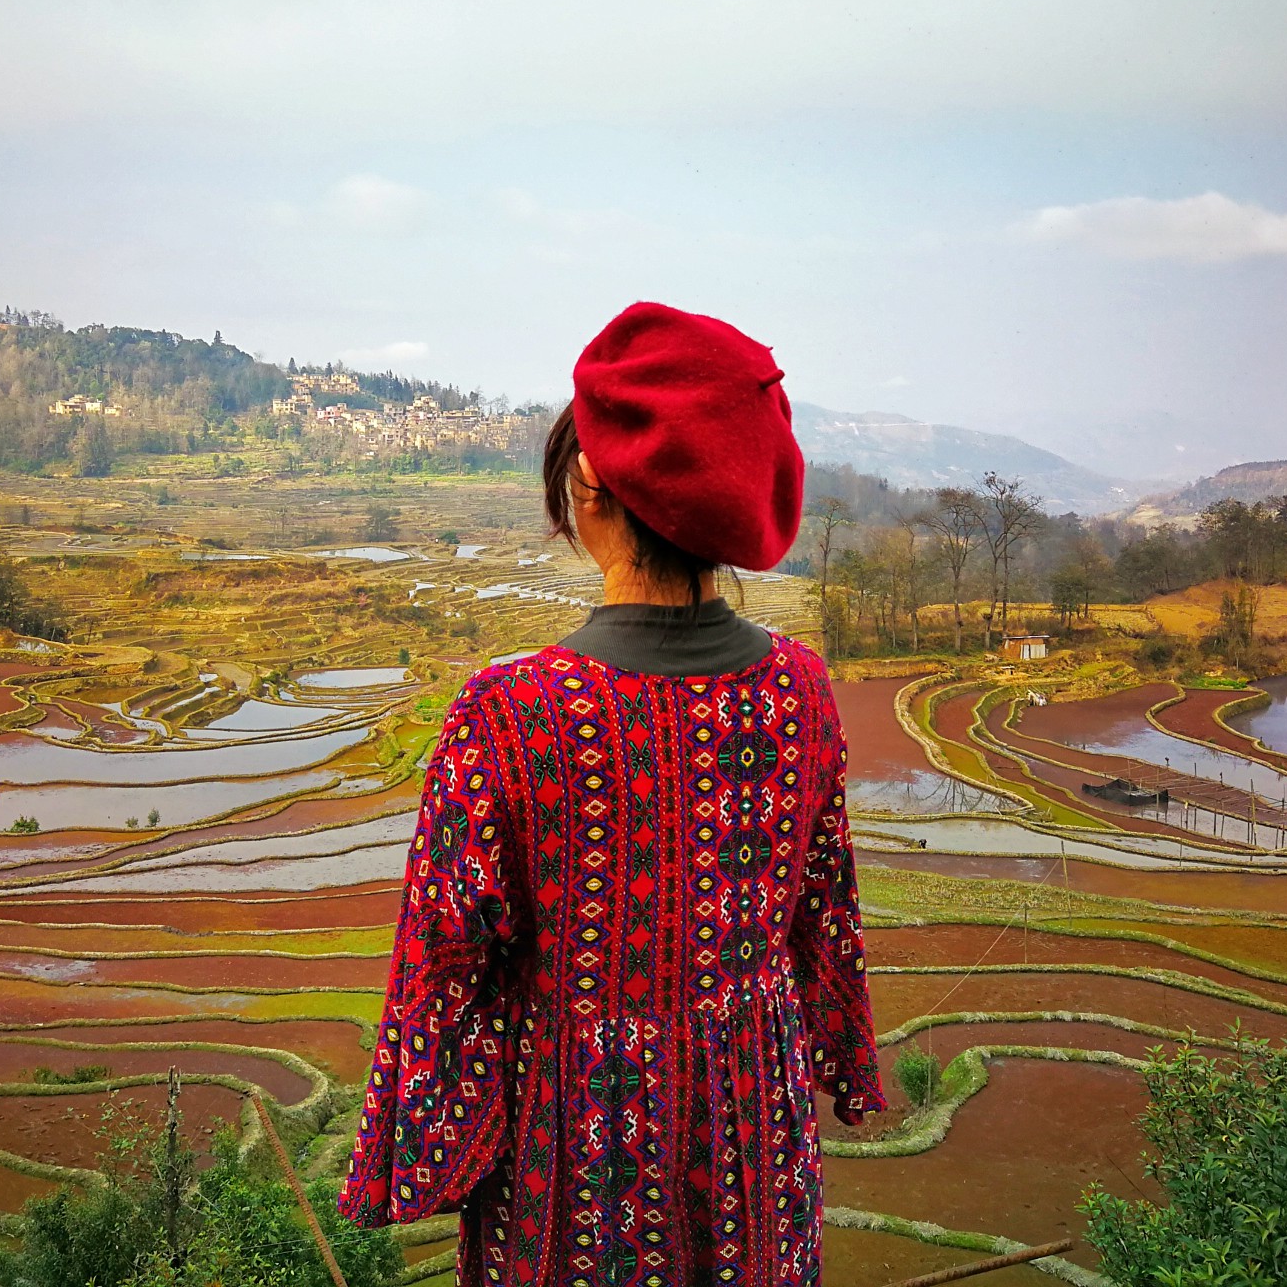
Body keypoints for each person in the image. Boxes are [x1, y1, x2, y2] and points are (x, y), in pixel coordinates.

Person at [337, 301, 884, 1286]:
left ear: (587, 485)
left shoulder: (512, 713)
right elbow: (822, 915)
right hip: (760, 1145)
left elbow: (443, 967)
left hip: (577, 1163)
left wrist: (428, 1150)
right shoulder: (798, 690)